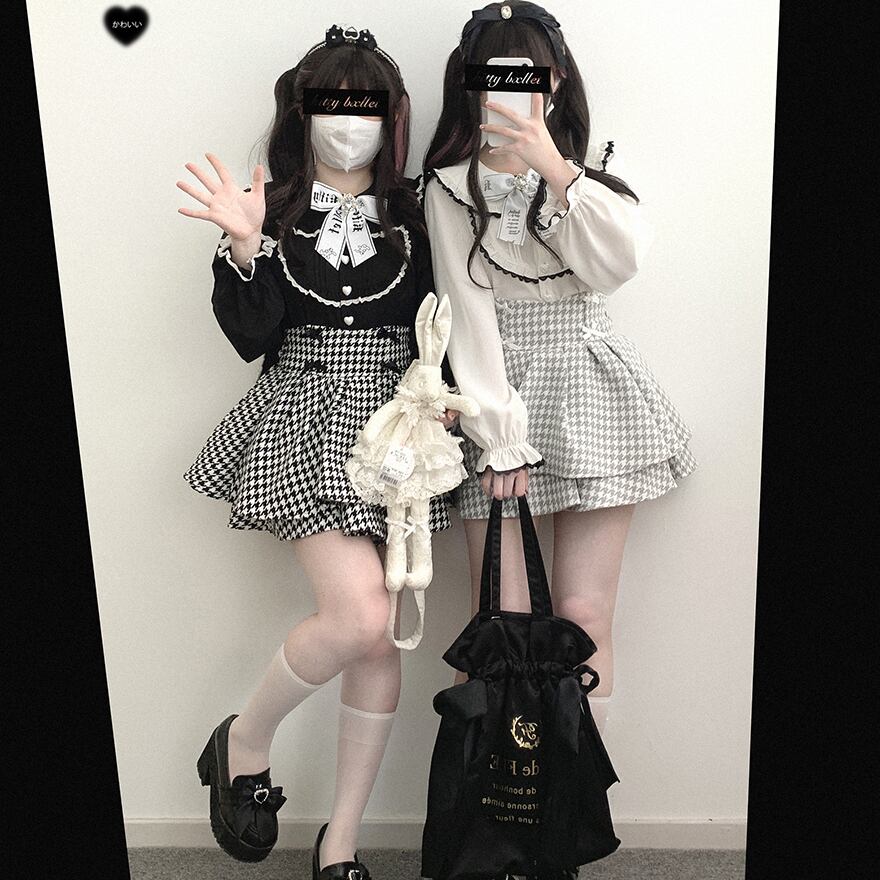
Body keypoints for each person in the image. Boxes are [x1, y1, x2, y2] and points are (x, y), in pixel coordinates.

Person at [178, 24, 455, 879]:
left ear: (391, 117)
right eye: (331, 105)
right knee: (360, 616)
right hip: (301, 415)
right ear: (302, 113)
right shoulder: (271, 208)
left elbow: (447, 320)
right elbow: (251, 336)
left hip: (396, 430)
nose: (348, 123)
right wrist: (244, 248)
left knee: (379, 639)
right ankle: (243, 741)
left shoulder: (418, 212)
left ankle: (339, 846)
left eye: (365, 106)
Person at [423, 0, 696, 762]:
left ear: (556, 80)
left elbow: (617, 266)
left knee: (584, 615)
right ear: (470, 85)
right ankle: (496, 813)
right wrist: (498, 436)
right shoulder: (447, 188)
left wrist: (555, 168)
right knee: (501, 622)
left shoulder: (587, 175)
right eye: (493, 75)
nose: (509, 90)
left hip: (592, 387)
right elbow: (465, 314)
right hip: (498, 393)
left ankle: (573, 808)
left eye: (527, 75)